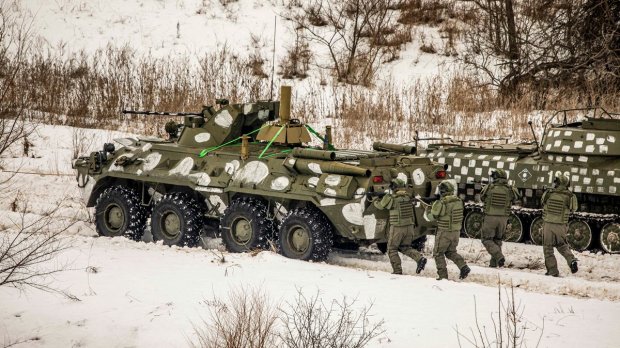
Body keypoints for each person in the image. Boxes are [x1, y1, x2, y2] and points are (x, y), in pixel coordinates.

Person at [373, 179, 427, 275]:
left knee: (392, 249)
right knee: (405, 247)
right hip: (410, 227)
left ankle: (397, 271)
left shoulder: (391, 198)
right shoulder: (409, 196)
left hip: (398, 227)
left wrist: (375, 199)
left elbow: (380, 206)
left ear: (393, 187)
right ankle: (419, 258)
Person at [426, 180, 470, 280]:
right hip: (456, 232)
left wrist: (428, 208)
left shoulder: (442, 202)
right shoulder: (458, 201)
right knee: (451, 252)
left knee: (438, 253)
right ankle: (463, 266)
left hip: (444, 232)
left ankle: (443, 276)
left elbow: (432, 217)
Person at [479, 169, 521, 267]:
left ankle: (499, 257)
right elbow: (516, 198)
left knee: (486, 239)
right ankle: (494, 264)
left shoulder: (489, 187)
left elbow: (482, 197)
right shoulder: (510, 189)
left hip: (490, 217)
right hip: (503, 219)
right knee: (497, 240)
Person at [540, 174, 578, 277]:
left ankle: (552, 270)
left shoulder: (548, 193)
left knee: (548, 248)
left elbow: (542, 203)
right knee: (562, 245)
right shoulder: (570, 196)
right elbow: (574, 208)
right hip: (561, 225)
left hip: (548, 224)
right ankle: (571, 260)